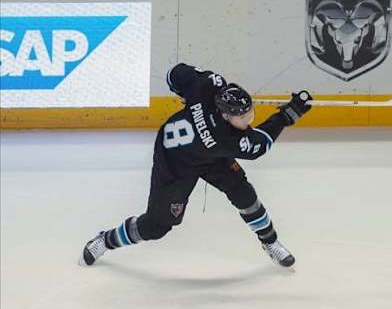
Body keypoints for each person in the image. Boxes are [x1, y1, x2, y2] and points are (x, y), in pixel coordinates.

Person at [79, 63, 312, 268]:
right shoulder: (229, 139)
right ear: (224, 115)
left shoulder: (208, 87)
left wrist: (190, 91)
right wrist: (288, 114)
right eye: (243, 118)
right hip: (175, 161)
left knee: (244, 195)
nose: (248, 120)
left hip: (211, 155)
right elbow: (261, 143)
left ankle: (270, 243)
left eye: (250, 114)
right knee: (156, 226)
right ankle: (105, 240)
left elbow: (173, 74)